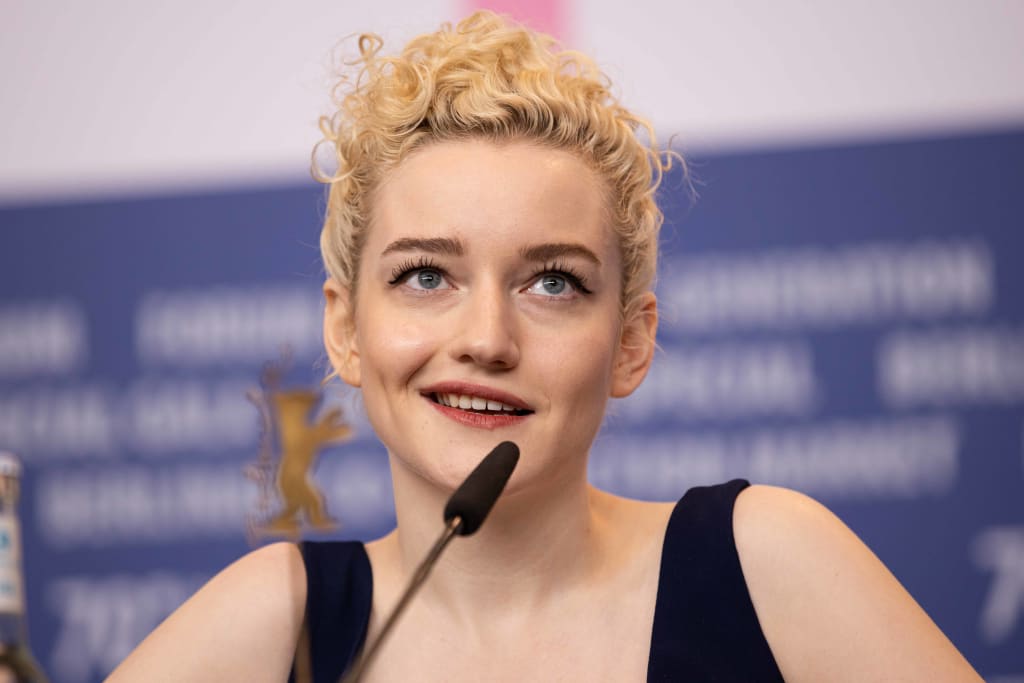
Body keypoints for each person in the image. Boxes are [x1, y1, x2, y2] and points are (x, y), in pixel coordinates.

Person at [107, 11, 982, 682]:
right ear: (346, 330)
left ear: (631, 342)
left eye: (553, 283)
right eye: (425, 275)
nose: (487, 339)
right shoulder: (282, 623)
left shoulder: (767, 561)